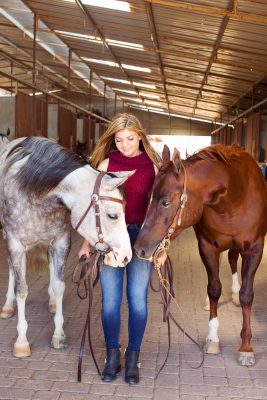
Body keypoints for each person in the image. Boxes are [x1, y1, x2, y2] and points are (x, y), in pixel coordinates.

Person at [78, 112, 161, 385]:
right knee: (111, 302)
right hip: (112, 238)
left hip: (141, 239)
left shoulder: (154, 166)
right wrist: (86, 242)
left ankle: (133, 358)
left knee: (137, 301)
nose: (125, 144)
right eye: (119, 139)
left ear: (140, 136)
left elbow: (163, 213)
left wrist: (162, 247)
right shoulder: (107, 163)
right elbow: (93, 207)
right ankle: (112, 357)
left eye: (129, 138)